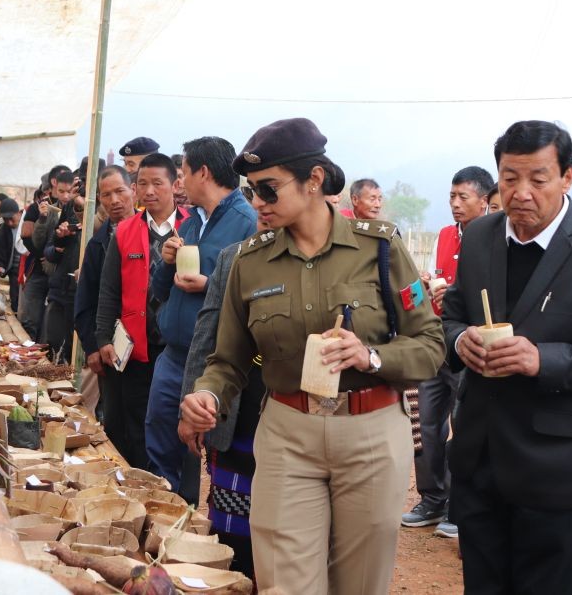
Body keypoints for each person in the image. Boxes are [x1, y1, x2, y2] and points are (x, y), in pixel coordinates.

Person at [181, 118, 444, 594]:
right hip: (288, 434)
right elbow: (227, 360)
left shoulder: (380, 248)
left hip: (370, 434)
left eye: (269, 189)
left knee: (359, 584)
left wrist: (370, 356)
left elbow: (429, 344)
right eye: (251, 190)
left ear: (314, 179)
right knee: (284, 583)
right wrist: (208, 395)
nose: (257, 202)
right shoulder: (249, 261)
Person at [442, 120, 572, 594]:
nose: (521, 193)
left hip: (560, 475)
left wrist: (543, 360)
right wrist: (458, 341)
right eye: (510, 178)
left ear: (566, 177)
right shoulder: (480, 237)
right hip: (480, 464)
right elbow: (451, 316)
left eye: (538, 179)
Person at [146, 136, 257, 501]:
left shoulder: (247, 224)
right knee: (160, 442)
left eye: (183, 173)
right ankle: (163, 515)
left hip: (211, 362)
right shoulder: (191, 222)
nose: (180, 183)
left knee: (198, 449)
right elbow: (160, 288)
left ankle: (187, 521)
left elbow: (254, 295)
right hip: (173, 354)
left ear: (203, 172)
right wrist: (166, 261)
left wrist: (209, 285)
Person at [402, 165, 493, 538]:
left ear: (484, 201)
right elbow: (437, 279)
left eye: (463, 197)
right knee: (425, 422)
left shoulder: (494, 239)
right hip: (436, 340)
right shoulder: (444, 235)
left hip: (470, 345)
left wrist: (454, 295)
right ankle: (432, 498)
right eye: (452, 196)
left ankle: (459, 505)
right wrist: (427, 286)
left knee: (464, 423)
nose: (455, 203)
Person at [179, 209, 267, 580]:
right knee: (232, 538)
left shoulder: (326, 265)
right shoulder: (234, 258)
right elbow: (206, 336)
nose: (265, 210)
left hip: (292, 423)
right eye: (259, 197)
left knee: (285, 542)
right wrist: (191, 407)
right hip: (238, 415)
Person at [95, 153, 188, 469]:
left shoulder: (193, 227)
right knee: (135, 425)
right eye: (142, 184)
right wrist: (103, 337)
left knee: (173, 425)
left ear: (175, 185)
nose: (149, 191)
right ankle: (139, 483)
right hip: (136, 349)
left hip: (177, 348)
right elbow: (109, 290)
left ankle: (173, 488)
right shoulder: (124, 231)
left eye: (157, 183)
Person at [74, 166, 137, 416]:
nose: (114, 200)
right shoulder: (97, 244)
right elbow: (85, 299)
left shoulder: (152, 235)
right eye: (106, 195)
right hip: (109, 346)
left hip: (147, 347)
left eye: (120, 191)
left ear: (133, 191)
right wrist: (92, 346)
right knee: (114, 416)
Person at [19, 165, 70, 340]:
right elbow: (27, 237)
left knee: (51, 326)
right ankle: (28, 350)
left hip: (61, 276)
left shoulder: (76, 211)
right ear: (55, 183)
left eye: (68, 190)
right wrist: (42, 255)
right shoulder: (39, 208)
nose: (65, 195)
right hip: (39, 270)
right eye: (61, 190)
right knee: (30, 319)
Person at [42, 172, 83, 363]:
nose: (69, 196)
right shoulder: (67, 210)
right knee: (54, 343)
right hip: (60, 290)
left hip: (81, 295)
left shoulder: (103, 218)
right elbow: (50, 250)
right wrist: (60, 241)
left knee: (75, 352)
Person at [0, 198, 23, 313]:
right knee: (16, 305)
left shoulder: (30, 223)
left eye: (11, 219)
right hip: (14, 273)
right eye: (5, 219)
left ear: (19, 213)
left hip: (30, 273)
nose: (9, 223)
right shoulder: (3, 231)